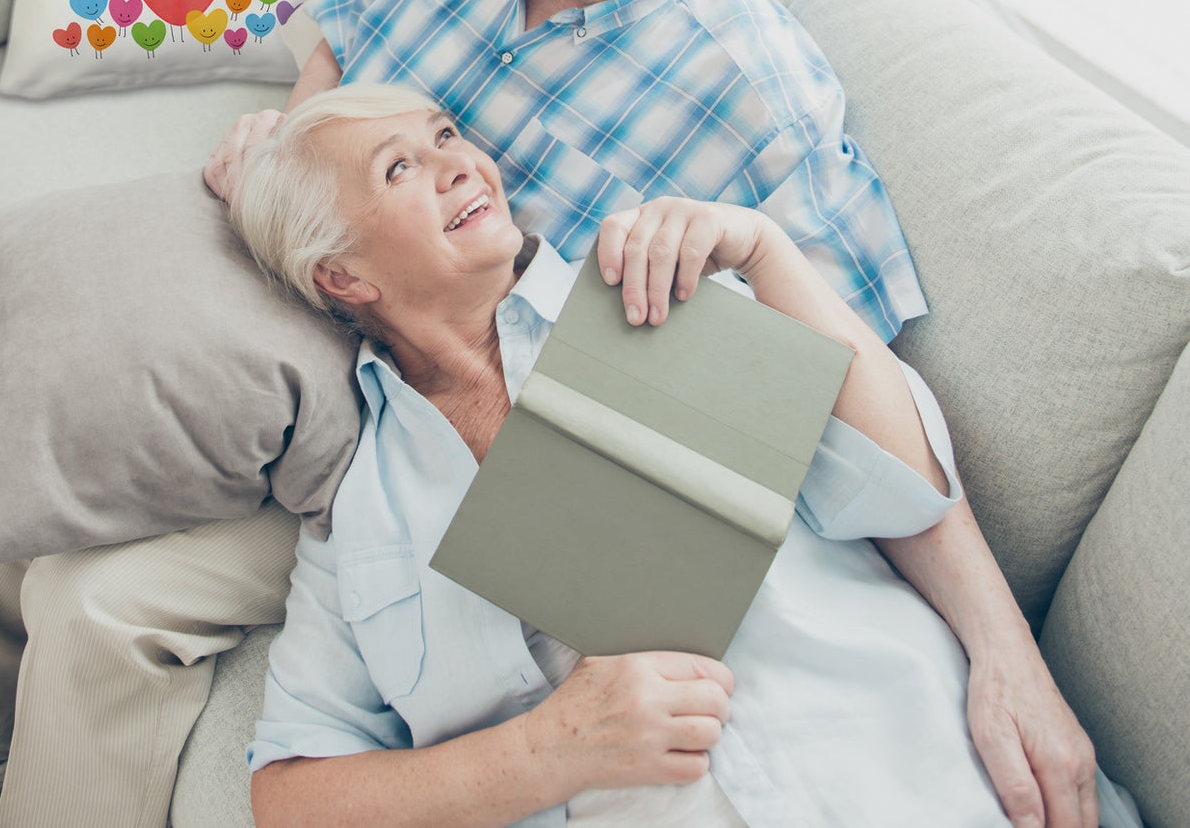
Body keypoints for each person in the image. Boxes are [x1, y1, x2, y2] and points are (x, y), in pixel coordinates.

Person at [0, 0, 1094, 828]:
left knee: (100, 601)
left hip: (439, 396)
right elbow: (339, 51)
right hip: (325, 271)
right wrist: (290, 148)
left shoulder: (762, 108)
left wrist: (1004, 649)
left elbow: (848, 403)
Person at [231, 84, 1130, 828]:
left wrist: (766, 252)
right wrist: (548, 750)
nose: (459, 162)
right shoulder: (360, 515)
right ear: (342, 276)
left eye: (445, 135)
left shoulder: (653, 290)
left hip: (917, 775)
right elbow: (290, 796)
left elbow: (903, 489)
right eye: (400, 167)